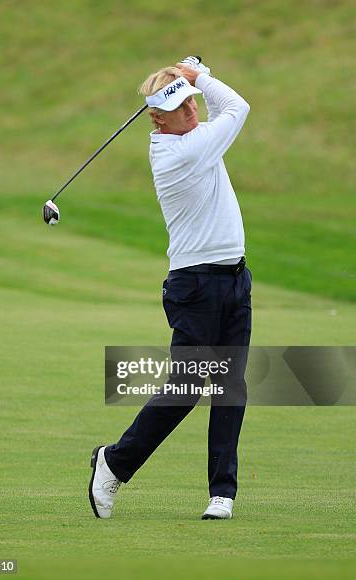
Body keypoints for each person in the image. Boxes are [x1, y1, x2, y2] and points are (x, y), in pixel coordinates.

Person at [88, 57, 252, 520]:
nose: (192, 110)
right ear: (159, 118)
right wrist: (201, 76)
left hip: (234, 277)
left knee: (230, 386)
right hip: (195, 286)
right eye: (181, 106)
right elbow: (236, 108)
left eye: (192, 102)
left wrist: (194, 82)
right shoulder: (180, 152)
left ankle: (222, 492)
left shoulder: (193, 138)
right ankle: (114, 462)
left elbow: (219, 113)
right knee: (184, 388)